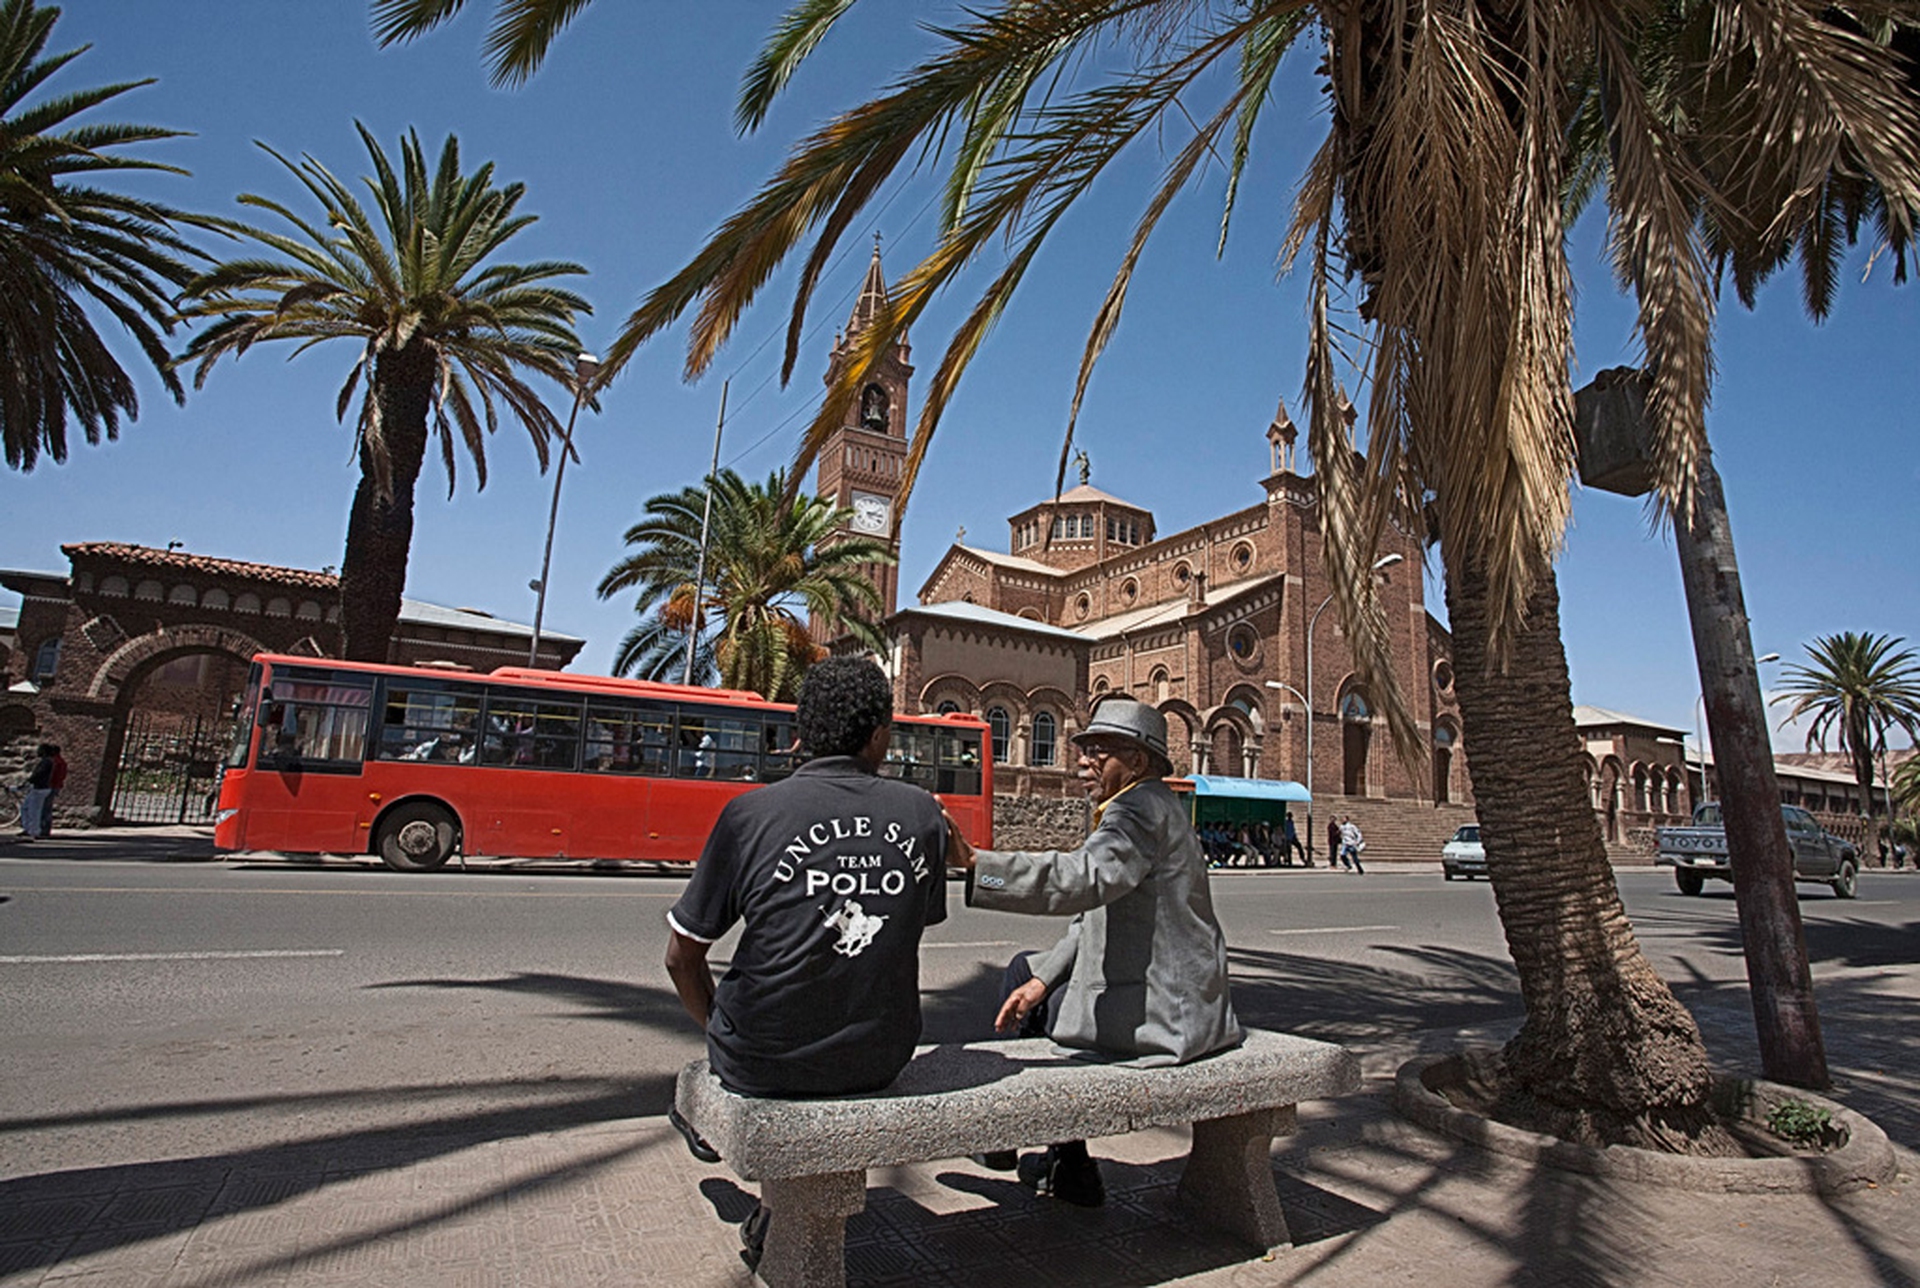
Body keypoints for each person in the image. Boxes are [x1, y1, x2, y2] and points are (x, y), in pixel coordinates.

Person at [663, 656, 949, 1264]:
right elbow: (902, 934)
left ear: (801, 733)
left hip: (759, 1058)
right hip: (881, 1057)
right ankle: (776, 1208)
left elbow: (681, 957)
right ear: (878, 736)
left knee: (700, 1076)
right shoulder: (923, 813)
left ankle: (744, 1170)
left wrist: (720, 1032)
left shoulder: (750, 814)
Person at [945, 697, 1242, 1208]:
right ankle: (1063, 1162)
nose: (1083, 760)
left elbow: (1080, 880)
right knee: (1026, 973)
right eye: (1083, 749)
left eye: (1100, 751)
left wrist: (979, 864)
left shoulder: (1137, 812)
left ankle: (1033, 1147)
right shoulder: (1146, 805)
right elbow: (1094, 915)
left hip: (1168, 1018)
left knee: (1038, 1004)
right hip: (1187, 1003)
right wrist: (1043, 980)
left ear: (1140, 762)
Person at [20, 744, 54, 841]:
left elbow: (39, 774)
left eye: (40, 750)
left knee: (34, 810)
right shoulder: (46, 762)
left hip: (40, 789)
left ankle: (34, 830)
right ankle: (28, 828)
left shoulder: (46, 762)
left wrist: (30, 780)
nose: (38, 752)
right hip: (38, 788)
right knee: (25, 807)